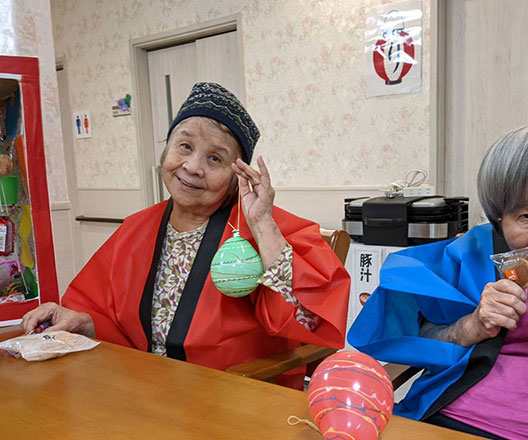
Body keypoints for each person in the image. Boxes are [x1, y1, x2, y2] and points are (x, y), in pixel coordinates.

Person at [22, 82, 350, 388]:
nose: (193, 166)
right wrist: (80, 320)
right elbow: (105, 313)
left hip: (235, 396)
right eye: (184, 146)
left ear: (237, 176)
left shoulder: (268, 229)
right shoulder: (136, 228)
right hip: (143, 388)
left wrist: (263, 225)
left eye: (215, 158)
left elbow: (309, 320)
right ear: (166, 152)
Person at [348, 120, 528, 439]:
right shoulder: (473, 252)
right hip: (451, 422)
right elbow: (417, 337)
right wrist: (472, 325)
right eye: (527, 216)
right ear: (499, 220)